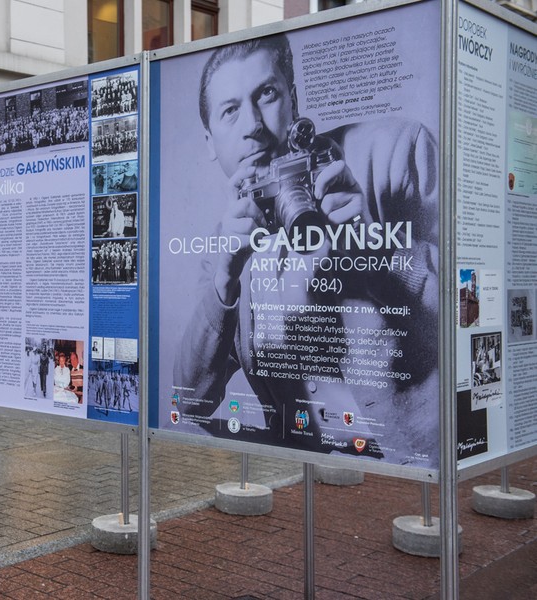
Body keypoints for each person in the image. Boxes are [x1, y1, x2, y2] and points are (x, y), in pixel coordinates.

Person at [173, 35, 439, 464]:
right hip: (307, 479)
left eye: (266, 94)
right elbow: (190, 401)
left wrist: (379, 252)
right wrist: (224, 283)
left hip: (410, 473)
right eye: (230, 110)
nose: (252, 124)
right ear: (209, 142)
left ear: (293, 99)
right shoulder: (229, 238)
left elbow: (473, 307)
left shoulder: (394, 152)